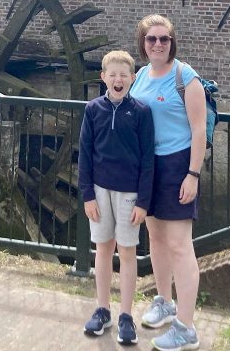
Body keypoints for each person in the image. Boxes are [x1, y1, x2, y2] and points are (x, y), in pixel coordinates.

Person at [130, 14, 207, 351]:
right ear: (143, 44)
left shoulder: (185, 77)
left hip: (177, 165)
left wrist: (193, 174)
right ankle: (164, 300)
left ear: (172, 42)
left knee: (179, 244)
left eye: (164, 39)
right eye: (152, 40)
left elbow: (199, 130)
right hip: (148, 166)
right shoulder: (141, 76)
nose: (158, 44)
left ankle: (186, 327)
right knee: (156, 238)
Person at [78, 49, 155, 345]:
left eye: (123, 75)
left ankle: (126, 315)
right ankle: (102, 309)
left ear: (133, 78)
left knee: (127, 252)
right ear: (103, 78)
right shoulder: (93, 109)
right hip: (99, 190)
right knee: (102, 250)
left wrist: (144, 202)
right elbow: (84, 154)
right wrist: (87, 195)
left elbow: (148, 159)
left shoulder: (141, 113)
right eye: (113, 75)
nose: (118, 79)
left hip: (129, 194)